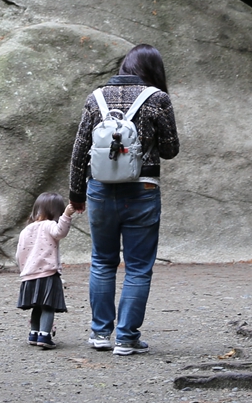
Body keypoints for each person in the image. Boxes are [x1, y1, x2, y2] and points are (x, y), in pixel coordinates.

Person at [67, 44, 180, 356]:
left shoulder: (96, 98)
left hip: (100, 190)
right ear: (155, 70)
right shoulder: (158, 99)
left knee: (102, 261)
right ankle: (127, 338)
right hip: (142, 191)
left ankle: (100, 334)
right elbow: (171, 150)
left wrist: (76, 195)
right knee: (138, 267)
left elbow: (79, 151)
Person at [15, 192, 72, 349]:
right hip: (47, 272)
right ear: (56, 212)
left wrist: (24, 270)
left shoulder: (26, 230)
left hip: (29, 274)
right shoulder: (49, 225)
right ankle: (45, 336)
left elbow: (18, 253)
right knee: (48, 306)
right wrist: (67, 215)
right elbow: (61, 231)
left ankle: (34, 334)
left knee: (36, 306)